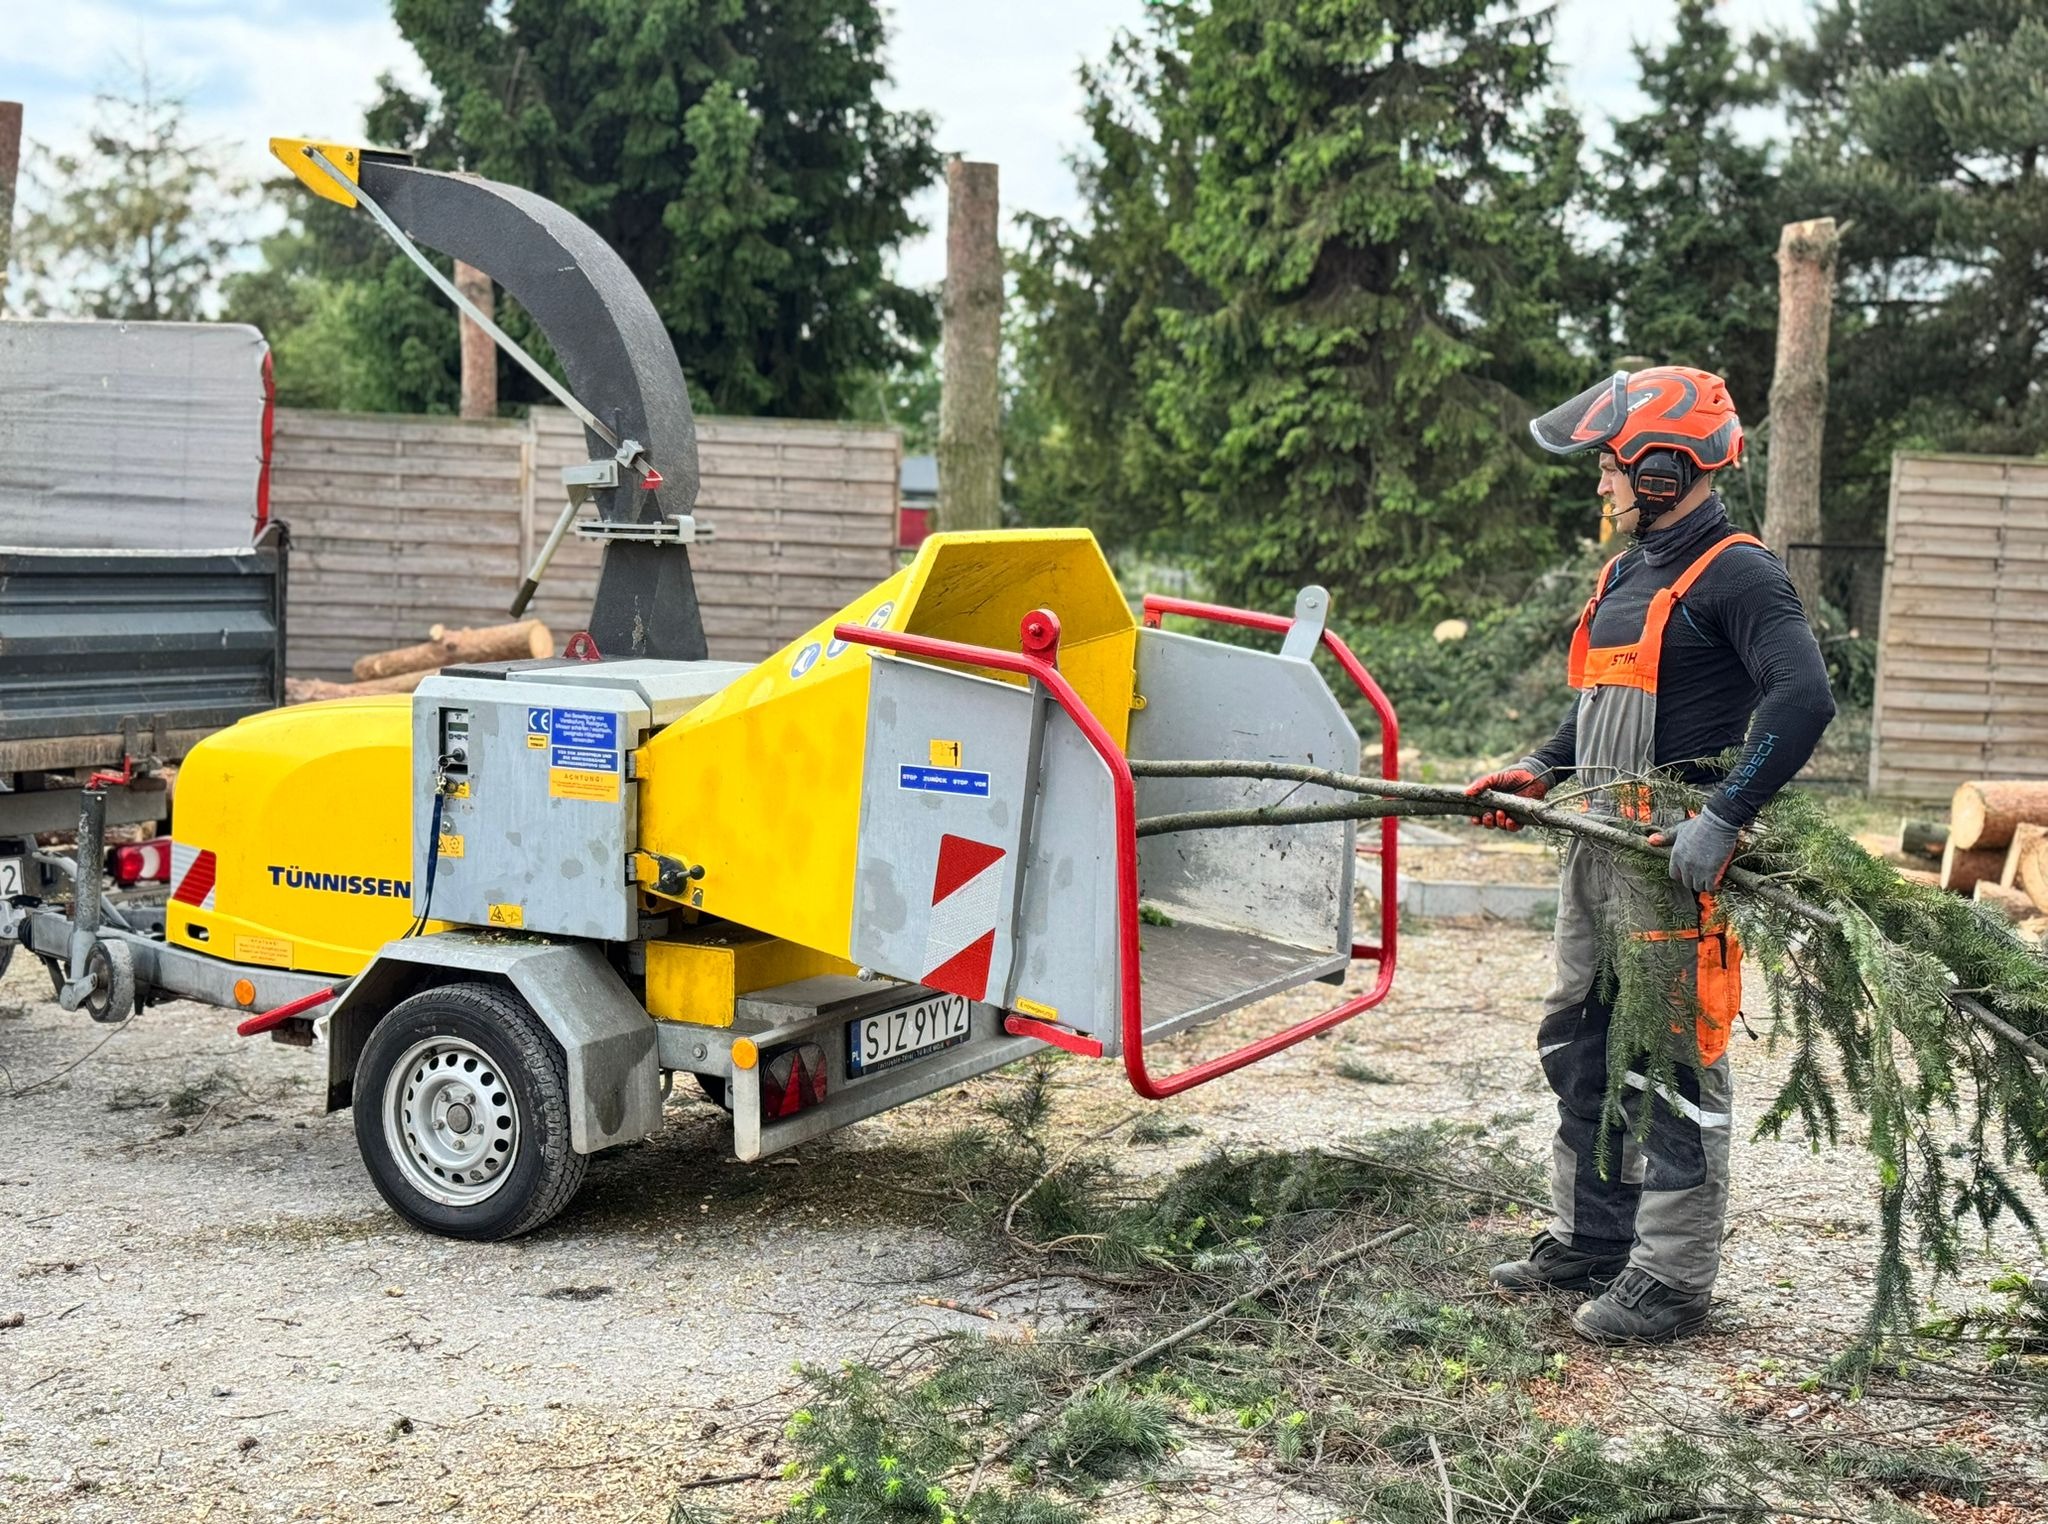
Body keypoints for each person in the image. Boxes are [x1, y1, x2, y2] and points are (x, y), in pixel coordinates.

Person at [1467, 366, 1835, 1344]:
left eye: (1613, 464)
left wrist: (1723, 815)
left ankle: (1669, 1281)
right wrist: (1538, 769)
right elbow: (1593, 704)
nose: (1601, 483)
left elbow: (1802, 699)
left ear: (1666, 466)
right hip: (1596, 854)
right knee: (1578, 1043)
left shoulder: (1737, 571)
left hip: (1674, 865)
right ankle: (1592, 1235)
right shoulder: (1628, 571)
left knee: (1671, 1068)